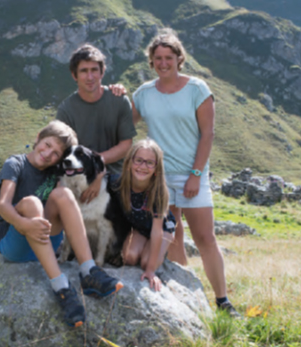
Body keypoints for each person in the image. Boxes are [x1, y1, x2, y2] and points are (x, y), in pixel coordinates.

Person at [131, 29, 239, 316]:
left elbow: (208, 134)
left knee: (205, 238)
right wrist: (114, 94)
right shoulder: (143, 94)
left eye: (169, 57)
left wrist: (195, 174)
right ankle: (187, 296)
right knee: (172, 236)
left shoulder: (197, 89)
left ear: (180, 59)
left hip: (194, 174)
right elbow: (122, 124)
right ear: (151, 61)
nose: (163, 63)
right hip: (161, 179)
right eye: (157, 58)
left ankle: (222, 300)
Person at [0, 120, 124, 328]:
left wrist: (99, 177)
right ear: (38, 138)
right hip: (14, 242)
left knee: (63, 194)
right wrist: (24, 224)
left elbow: (92, 161)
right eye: (47, 145)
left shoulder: (54, 171)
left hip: (44, 240)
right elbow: (3, 206)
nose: (48, 154)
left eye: (56, 154)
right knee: (32, 203)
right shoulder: (15, 164)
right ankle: (61, 287)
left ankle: (88, 271)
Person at [56, 44, 136, 203]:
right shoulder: (66, 110)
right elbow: (64, 151)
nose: (90, 76)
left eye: (94, 70)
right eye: (84, 71)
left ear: (102, 72)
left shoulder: (119, 100)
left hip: (116, 175)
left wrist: (97, 166)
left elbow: (126, 144)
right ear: (74, 75)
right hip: (81, 175)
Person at [111, 139, 175, 292]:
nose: (143, 167)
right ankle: (143, 245)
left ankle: (165, 246)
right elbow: (100, 177)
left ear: (156, 168)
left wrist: (151, 270)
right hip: (140, 228)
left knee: (146, 263)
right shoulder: (118, 183)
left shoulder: (158, 191)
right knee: (129, 257)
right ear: (129, 162)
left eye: (149, 163)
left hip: (162, 228)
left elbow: (157, 230)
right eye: (138, 160)